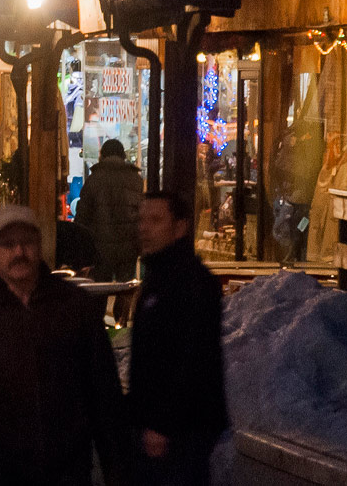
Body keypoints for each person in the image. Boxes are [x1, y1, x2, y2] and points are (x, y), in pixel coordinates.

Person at [0, 205, 124, 486]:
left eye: (27, 242)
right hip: (3, 470)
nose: (19, 252)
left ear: (40, 246)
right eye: (7, 244)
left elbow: (103, 389)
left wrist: (114, 464)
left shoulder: (73, 306)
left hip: (69, 468)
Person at [129, 194, 228, 485]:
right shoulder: (159, 277)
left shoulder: (191, 284)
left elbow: (191, 357)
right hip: (166, 426)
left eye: (155, 220)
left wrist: (162, 424)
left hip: (182, 430)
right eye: (142, 219)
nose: (144, 228)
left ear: (180, 227)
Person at [77, 139, 144, 281]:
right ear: (123, 156)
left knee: (100, 290)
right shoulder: (136, 180)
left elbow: (82, 217)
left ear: (103, 155)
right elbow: (141, 214)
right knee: (125, 290)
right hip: (129, 247)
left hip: (100, 249)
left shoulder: (94, 179)